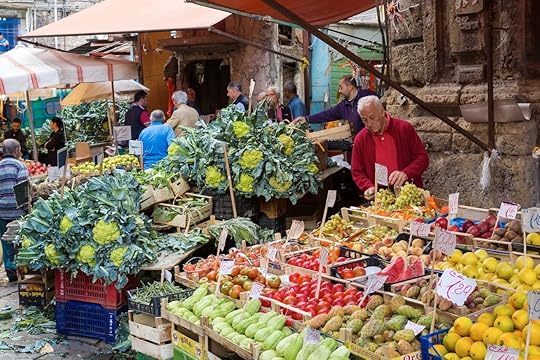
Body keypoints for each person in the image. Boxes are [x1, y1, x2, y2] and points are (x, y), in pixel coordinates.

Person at [351, 96, 429, 200]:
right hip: (380, 199)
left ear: (382, 111)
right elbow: (357, 171)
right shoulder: (360, 139)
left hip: (409, 194)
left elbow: (422, 158)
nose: (369, 124)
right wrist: (368, 187)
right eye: (364, 120)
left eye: (372, 117)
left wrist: (406, 173)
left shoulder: (404, 129)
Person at [294, 75, 376, 134]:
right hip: (356, 145)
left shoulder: (368, 97)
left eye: (341, 87)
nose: (339, 91)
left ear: (350, 87)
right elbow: (327, 114)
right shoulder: (343, 106)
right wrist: (306, 119)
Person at [0, 139, 29, 281]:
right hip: (17, 211)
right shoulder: (20, 166)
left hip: (2, 211)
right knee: (19, 240)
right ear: (16, 150)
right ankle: (22, 269)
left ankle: (10, 269)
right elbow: (23, 192)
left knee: (5, 240)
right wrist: (26, 210)